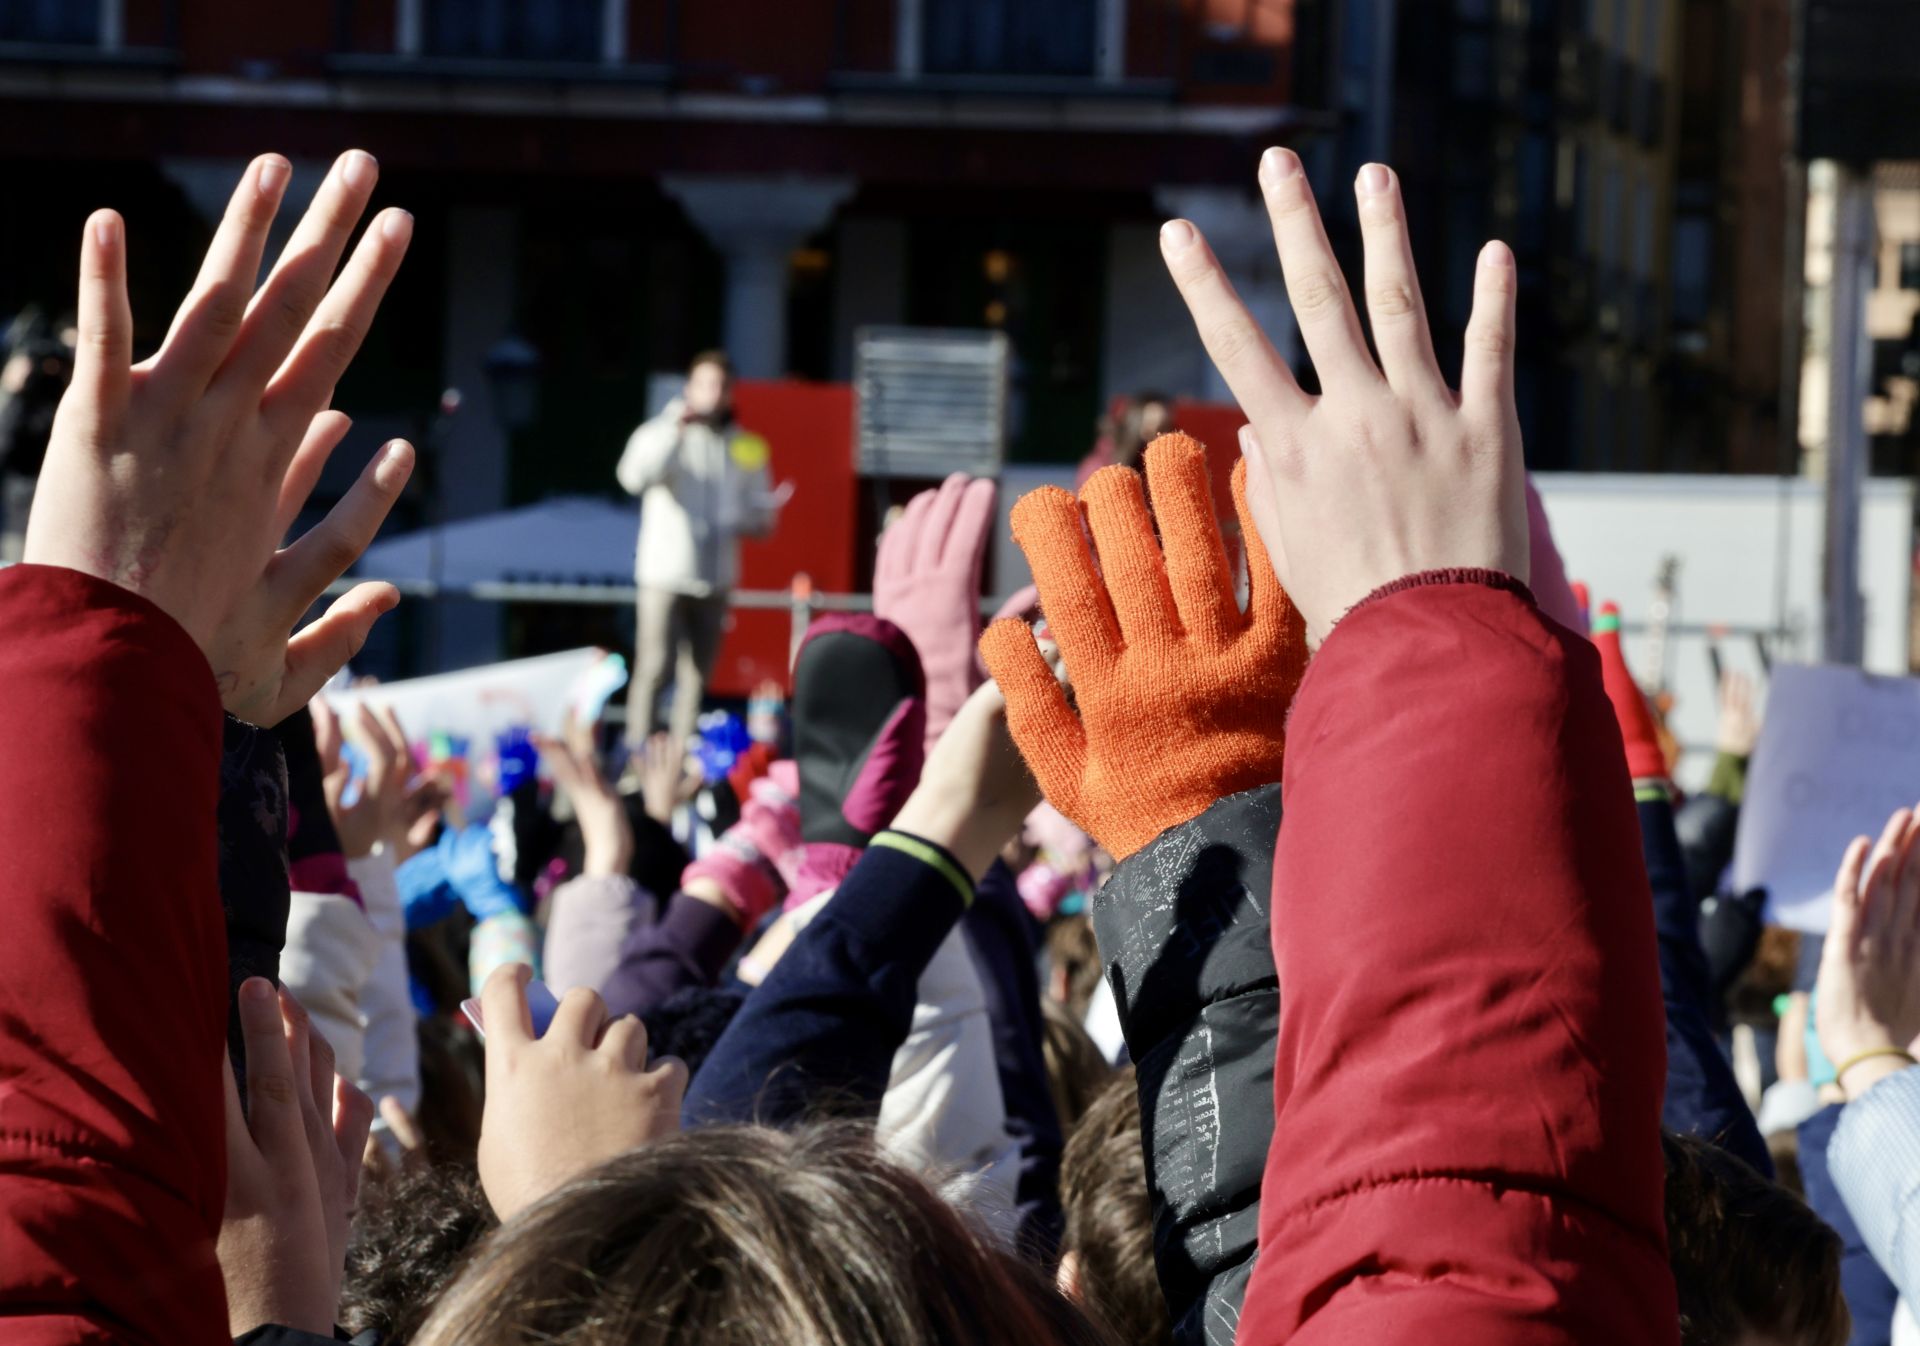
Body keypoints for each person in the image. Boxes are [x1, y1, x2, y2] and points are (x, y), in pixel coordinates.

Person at [616, 350, 780, 749]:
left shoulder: (745, 445)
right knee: (655, 667)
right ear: (690, 388)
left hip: (715, 577)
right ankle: (639, 756)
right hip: (663, 575)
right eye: (706, 384)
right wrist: (676, 430)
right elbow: (634, 478)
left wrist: (747, 517)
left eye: (722, 385)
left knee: (696, 677)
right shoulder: (659, 432)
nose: (714, 393)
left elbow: (763, 516)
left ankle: (680, 756)